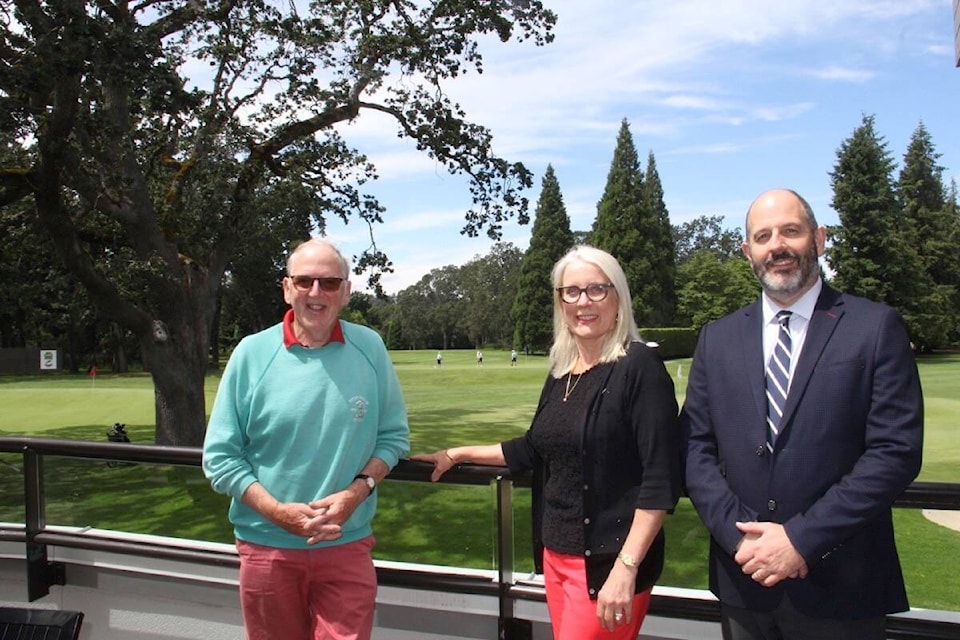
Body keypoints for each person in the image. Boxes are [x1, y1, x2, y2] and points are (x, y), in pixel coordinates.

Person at [680, 189, 923, 640]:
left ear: (819, 238)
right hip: (744, 584)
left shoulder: (874, 327)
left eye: (790, 231)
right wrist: (741, 539)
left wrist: (800, 541)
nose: (777, 245)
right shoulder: (717, 338)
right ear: (747, 251)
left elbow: (894, 453)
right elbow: (696, 448)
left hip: (842, 587)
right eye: (763, 235)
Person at [413, 245, 681, 640]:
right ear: (560, 302)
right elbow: (535, 448)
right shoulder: (562, 373)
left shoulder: (639, 368)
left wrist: (626, 567)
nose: (583, 302)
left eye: (596, 289)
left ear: (618, 297)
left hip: (607, 566)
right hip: (556, 558)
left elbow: (661, 478)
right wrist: (458, 453)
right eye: (570, 292)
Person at [202, 238, 410, 640]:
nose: (316, 293)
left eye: (330, 283)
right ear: (286, 288)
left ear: (346, 292)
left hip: (346, 545)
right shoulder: (251, 354)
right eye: (305, 282)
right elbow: (221, 457)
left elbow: (393, 437)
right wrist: (278, 512)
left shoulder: (370, 347)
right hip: (267, 549)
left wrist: (357, 492)